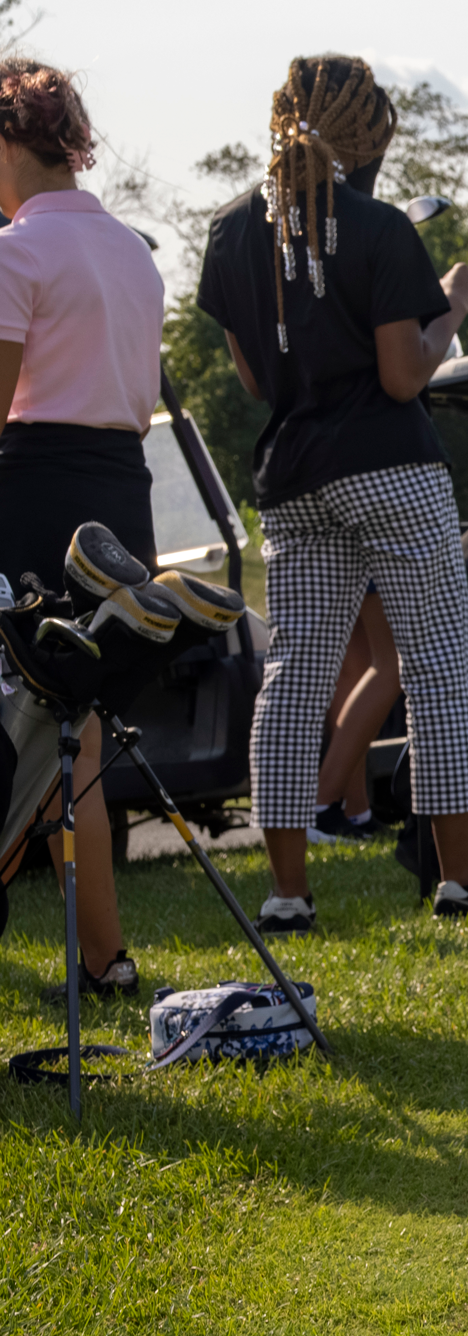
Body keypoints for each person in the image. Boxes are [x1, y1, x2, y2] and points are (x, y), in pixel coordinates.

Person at [196, 52, 468, 924]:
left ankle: (286, 895)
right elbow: (403, 376)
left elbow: (254, 381)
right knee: (434, 672)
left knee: (296, 678)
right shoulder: (383, 226)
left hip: (294, 479)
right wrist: (452, 307)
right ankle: (463, 883)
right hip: (391, 470)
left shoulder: (232, 230)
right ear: (366, 138)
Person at [0, 55, 166, 997]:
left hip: (36, 493)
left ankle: (102, 958)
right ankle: (105, 959)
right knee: (80, 738)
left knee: (37, 735)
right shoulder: (131, 250)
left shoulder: (16, 250)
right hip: (120, 493)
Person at [308, 587, 396, 843]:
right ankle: (323, 803)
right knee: (391, 663)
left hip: (344, 551)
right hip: (369, 549)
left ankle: (355, 809)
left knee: (358, 664)